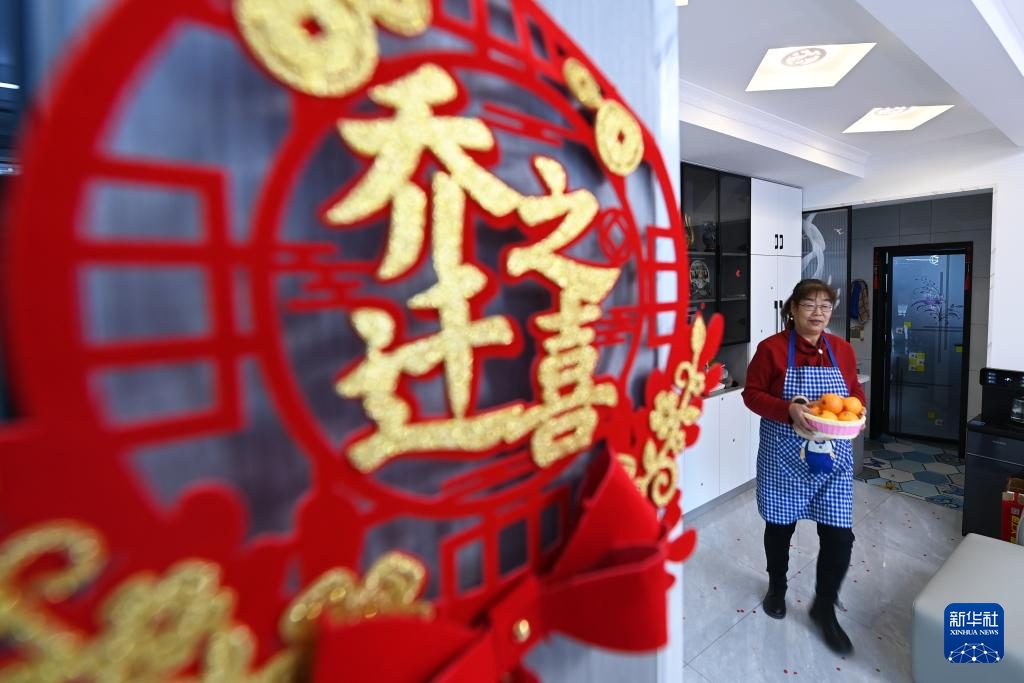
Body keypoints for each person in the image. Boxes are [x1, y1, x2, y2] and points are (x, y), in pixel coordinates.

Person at [742, 279, 865, 655]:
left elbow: (854, 393)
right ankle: (777, 588)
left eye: (825, 306)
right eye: (809, 304)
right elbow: (752, 395)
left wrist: (858, 411)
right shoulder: (772, 349)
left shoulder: (842, 349)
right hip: (783, 457)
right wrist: (789, 410)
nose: (818, 312)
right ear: (792, 309)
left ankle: (823, 607)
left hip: (832, 459)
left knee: (839, 537)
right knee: (780, 528)